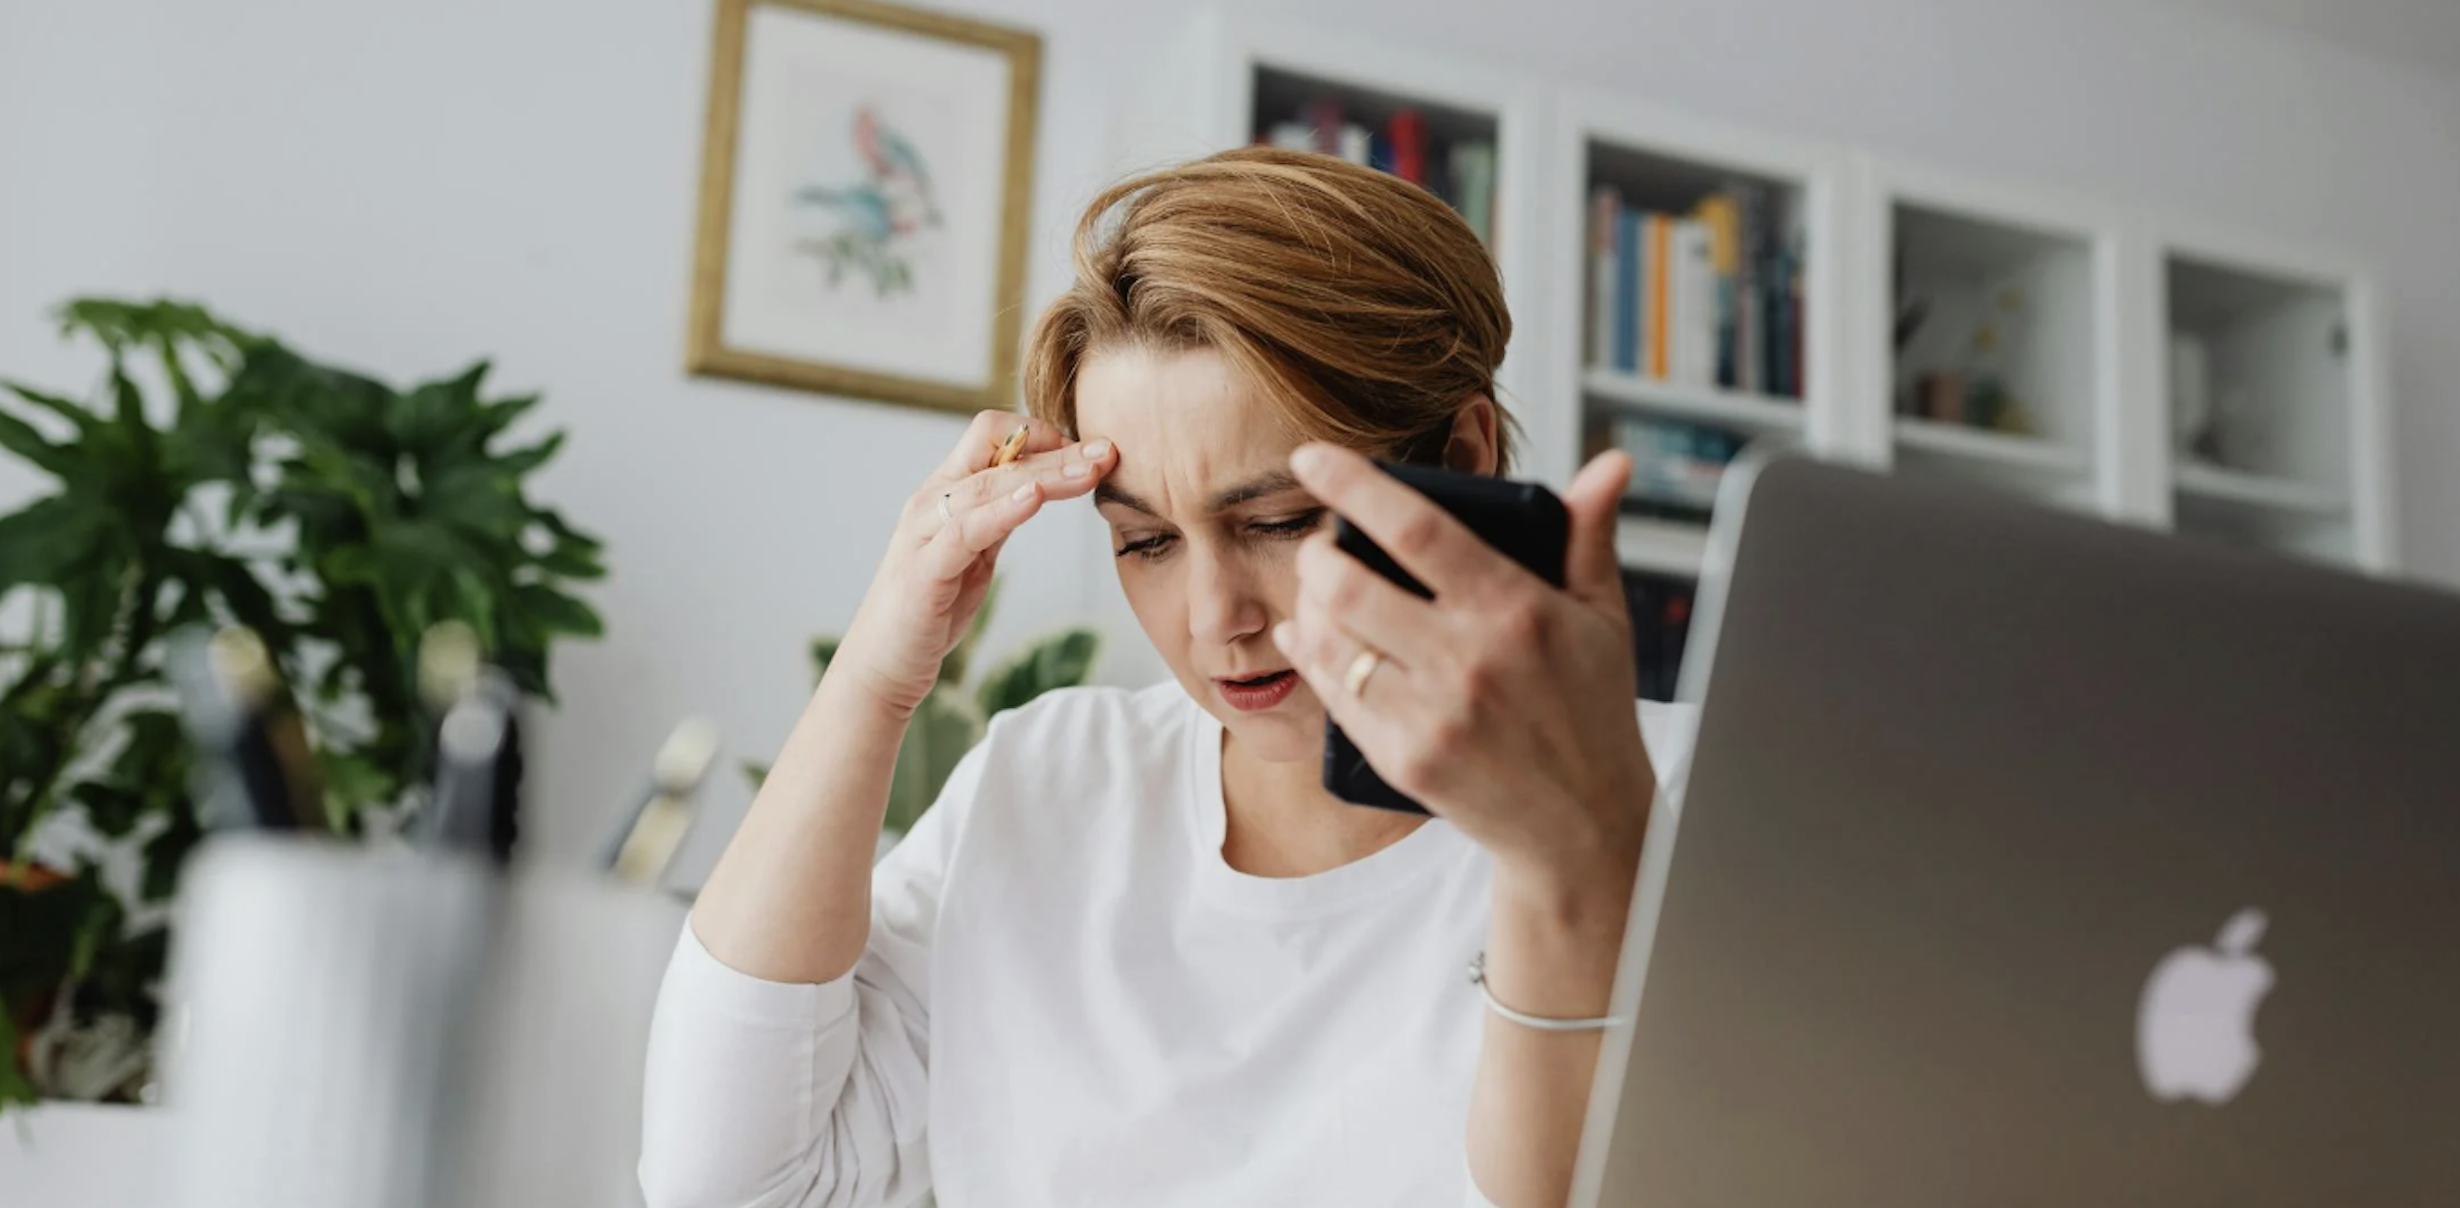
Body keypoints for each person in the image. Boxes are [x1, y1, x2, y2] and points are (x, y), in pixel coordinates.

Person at [639, 147, 1697, 1208]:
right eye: (1146, 541)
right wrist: (875, 681)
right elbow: (728, 1183)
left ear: (1461, 457)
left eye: (1277, 521)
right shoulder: (1048, 778)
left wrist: (1574, 863)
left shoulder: (1683, 792)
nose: (1214, 618)